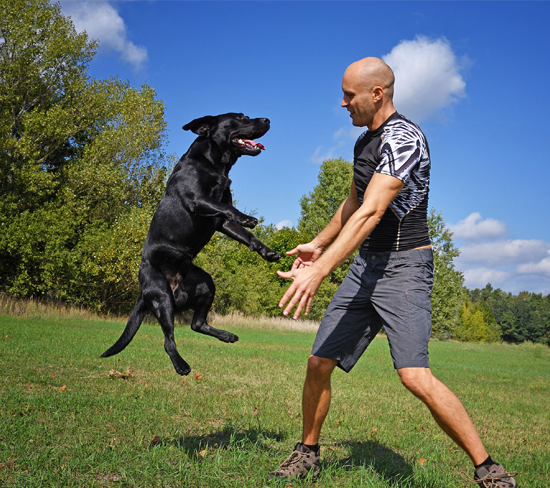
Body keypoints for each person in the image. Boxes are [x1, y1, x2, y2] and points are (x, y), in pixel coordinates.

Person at [268, 57, 517, 488]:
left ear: (376, 94)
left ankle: (488, 469)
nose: (342, 103)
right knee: (318, 361)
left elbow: (372, 212)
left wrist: (320, 271)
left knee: (414, 376)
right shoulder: (363, 143)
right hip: (366, 266)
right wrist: (318, 244)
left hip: (405, 268)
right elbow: (351, 205)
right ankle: (307, 452)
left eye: (349, 95)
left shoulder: (405, 138)